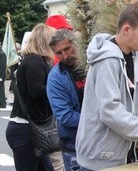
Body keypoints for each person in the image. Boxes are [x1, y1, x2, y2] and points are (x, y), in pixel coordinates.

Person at [76, 1, 138, 170]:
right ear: (126, 29)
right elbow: (110, 112)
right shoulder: (107, 61)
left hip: (124, 154)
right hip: (99, 159)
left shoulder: (136, 55)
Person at [5, 23, 56, 171]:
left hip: (28, 129)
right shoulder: (35, 61)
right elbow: (36, 91)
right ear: (45, 41)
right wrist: (59, 90)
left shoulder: (32, 60)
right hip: (25, 129)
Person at [47, 29, 87, 171]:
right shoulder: (56, 77)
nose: (64, 55)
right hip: (74, 144)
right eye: (59, 53)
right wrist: (97, 120)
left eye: (67, 49)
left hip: (101, 142)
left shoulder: (92, 65)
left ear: (75, 43)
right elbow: (65, 116)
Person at [0, 43, 6, 108]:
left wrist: (1, 76)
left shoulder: (2, 54)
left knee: (1, 89)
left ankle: (2, 103)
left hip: (0, 75)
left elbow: (2, 65)